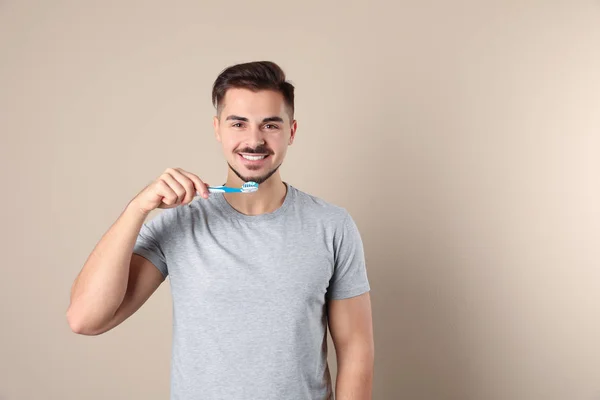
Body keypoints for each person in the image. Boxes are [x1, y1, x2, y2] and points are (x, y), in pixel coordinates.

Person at [67, 61, 374, 399]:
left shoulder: (331, 225)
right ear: (218, 129)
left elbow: (356, 350)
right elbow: (86, 319)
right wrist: (137, 209)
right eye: (238, 124)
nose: (254, 140)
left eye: (270, 124)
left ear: (292, 131)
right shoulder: (182, 222)